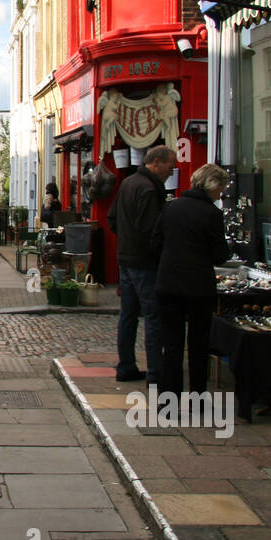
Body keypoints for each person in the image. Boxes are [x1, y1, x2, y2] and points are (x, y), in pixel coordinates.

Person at [152, 162, 231, 394]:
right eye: (220, 189)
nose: (220, 194)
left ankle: (169, 400)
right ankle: (197, 397)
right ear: (211, 186)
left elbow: (155, 243)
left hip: (169, 284)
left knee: (172, 345)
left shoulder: (171, 208)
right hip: (199, 287)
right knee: (198, 345)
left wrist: (170, 260)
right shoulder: (212, 214)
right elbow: (220, 255)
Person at [106, 145, 177, 383]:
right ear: (156, 162)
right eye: (170, 164)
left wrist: (125, 241)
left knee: (128, 315)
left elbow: (112, 218)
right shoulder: (149, 189)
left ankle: (126, 366)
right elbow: (152, 231)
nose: (173, 169)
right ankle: (156, 374)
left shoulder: (128, 183)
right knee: (152, 317)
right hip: (145, 263)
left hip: (126, 259)